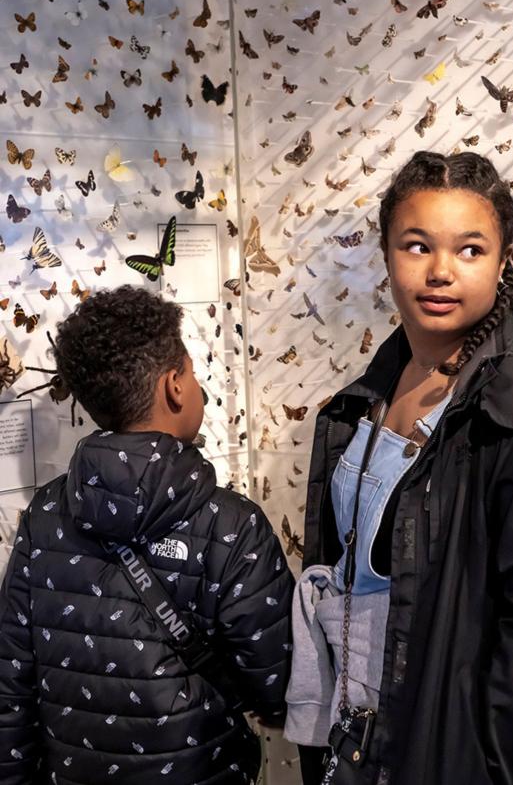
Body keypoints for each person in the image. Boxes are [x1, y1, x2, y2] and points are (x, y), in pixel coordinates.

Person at [285, 150, 513, 785]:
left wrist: (486, 758)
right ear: (385, 254)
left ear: (505, 259)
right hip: (369, 732)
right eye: (417, 245)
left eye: (470, 250)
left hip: (468, 752)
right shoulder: (368, 390)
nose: (440, 272)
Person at [0, 285, 294, 785]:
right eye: (194, 371)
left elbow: (11, 687)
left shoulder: (44, 514)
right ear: (175, 385)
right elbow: (274, 684)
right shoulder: (231, 524)